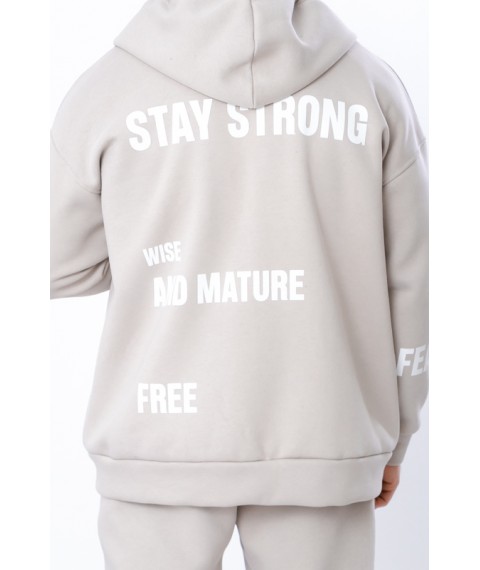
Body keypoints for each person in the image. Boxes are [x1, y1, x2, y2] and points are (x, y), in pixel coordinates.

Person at [50, 0, 429, 568]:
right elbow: (412, 279)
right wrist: (398, 433)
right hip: (324, 433)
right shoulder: (371, 87)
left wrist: (158, 250)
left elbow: (54, 261)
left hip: (157, 439)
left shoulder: (106, 91)